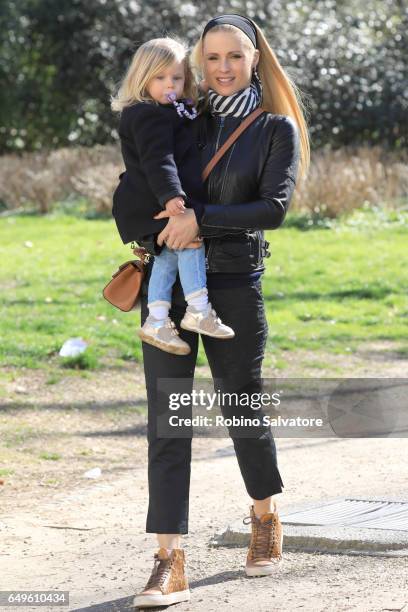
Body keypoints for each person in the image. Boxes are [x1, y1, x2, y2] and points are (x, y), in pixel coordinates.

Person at [131, 14, 310, 609]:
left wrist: (196, 219)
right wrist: (145, 228)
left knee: (242, 408)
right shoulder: (179, 118)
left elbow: (273, 208)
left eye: (235, 56)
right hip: (171, 291)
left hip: (233, 282)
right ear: (198, 63)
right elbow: (138, 183)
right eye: (212, 59)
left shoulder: (274, 129)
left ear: (255, 58)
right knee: (167, 421)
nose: (223, 68)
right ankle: (168, 559)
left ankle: (264, 514)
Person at [111, 37, 234, 358]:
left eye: (177, 78)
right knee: (190, 241)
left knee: (168, 254)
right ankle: (198, 308)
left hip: (153, 200)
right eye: (160, 78)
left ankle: (156, 320)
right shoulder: (147, 115)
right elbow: (158, 159)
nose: (170, 85)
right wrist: (171, 197)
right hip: (151, 201)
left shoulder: (171, 109)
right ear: (142, 78)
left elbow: (192, 118)